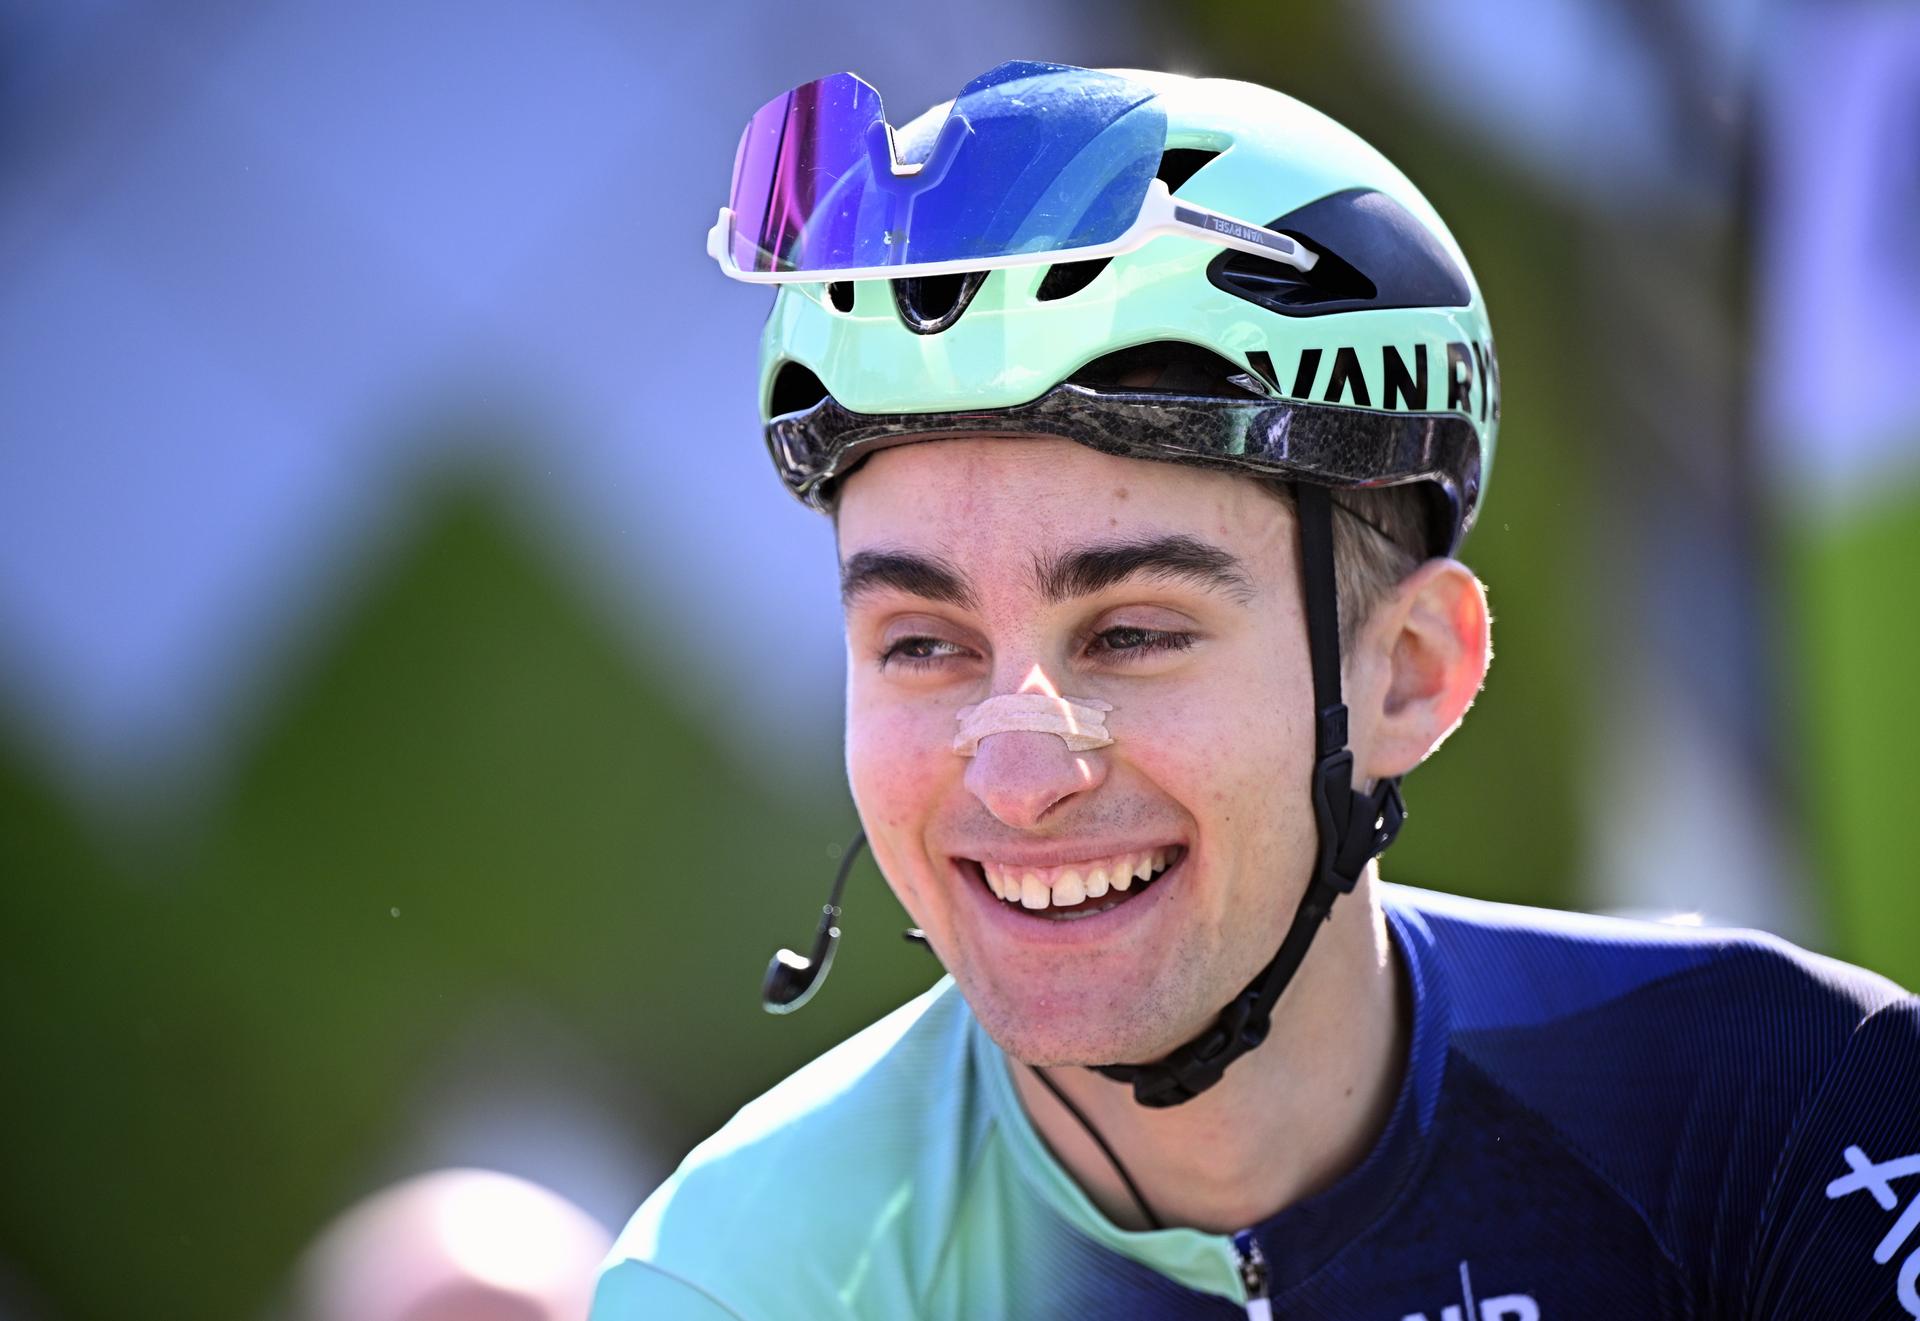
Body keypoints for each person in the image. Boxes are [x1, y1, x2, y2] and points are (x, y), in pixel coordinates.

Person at [593, 63, 1920, 1319]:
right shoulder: (747, 1283)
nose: (1015, 773)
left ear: (1410, 673)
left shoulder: (1793, 1110)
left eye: (1131, 632)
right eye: (922, 643)